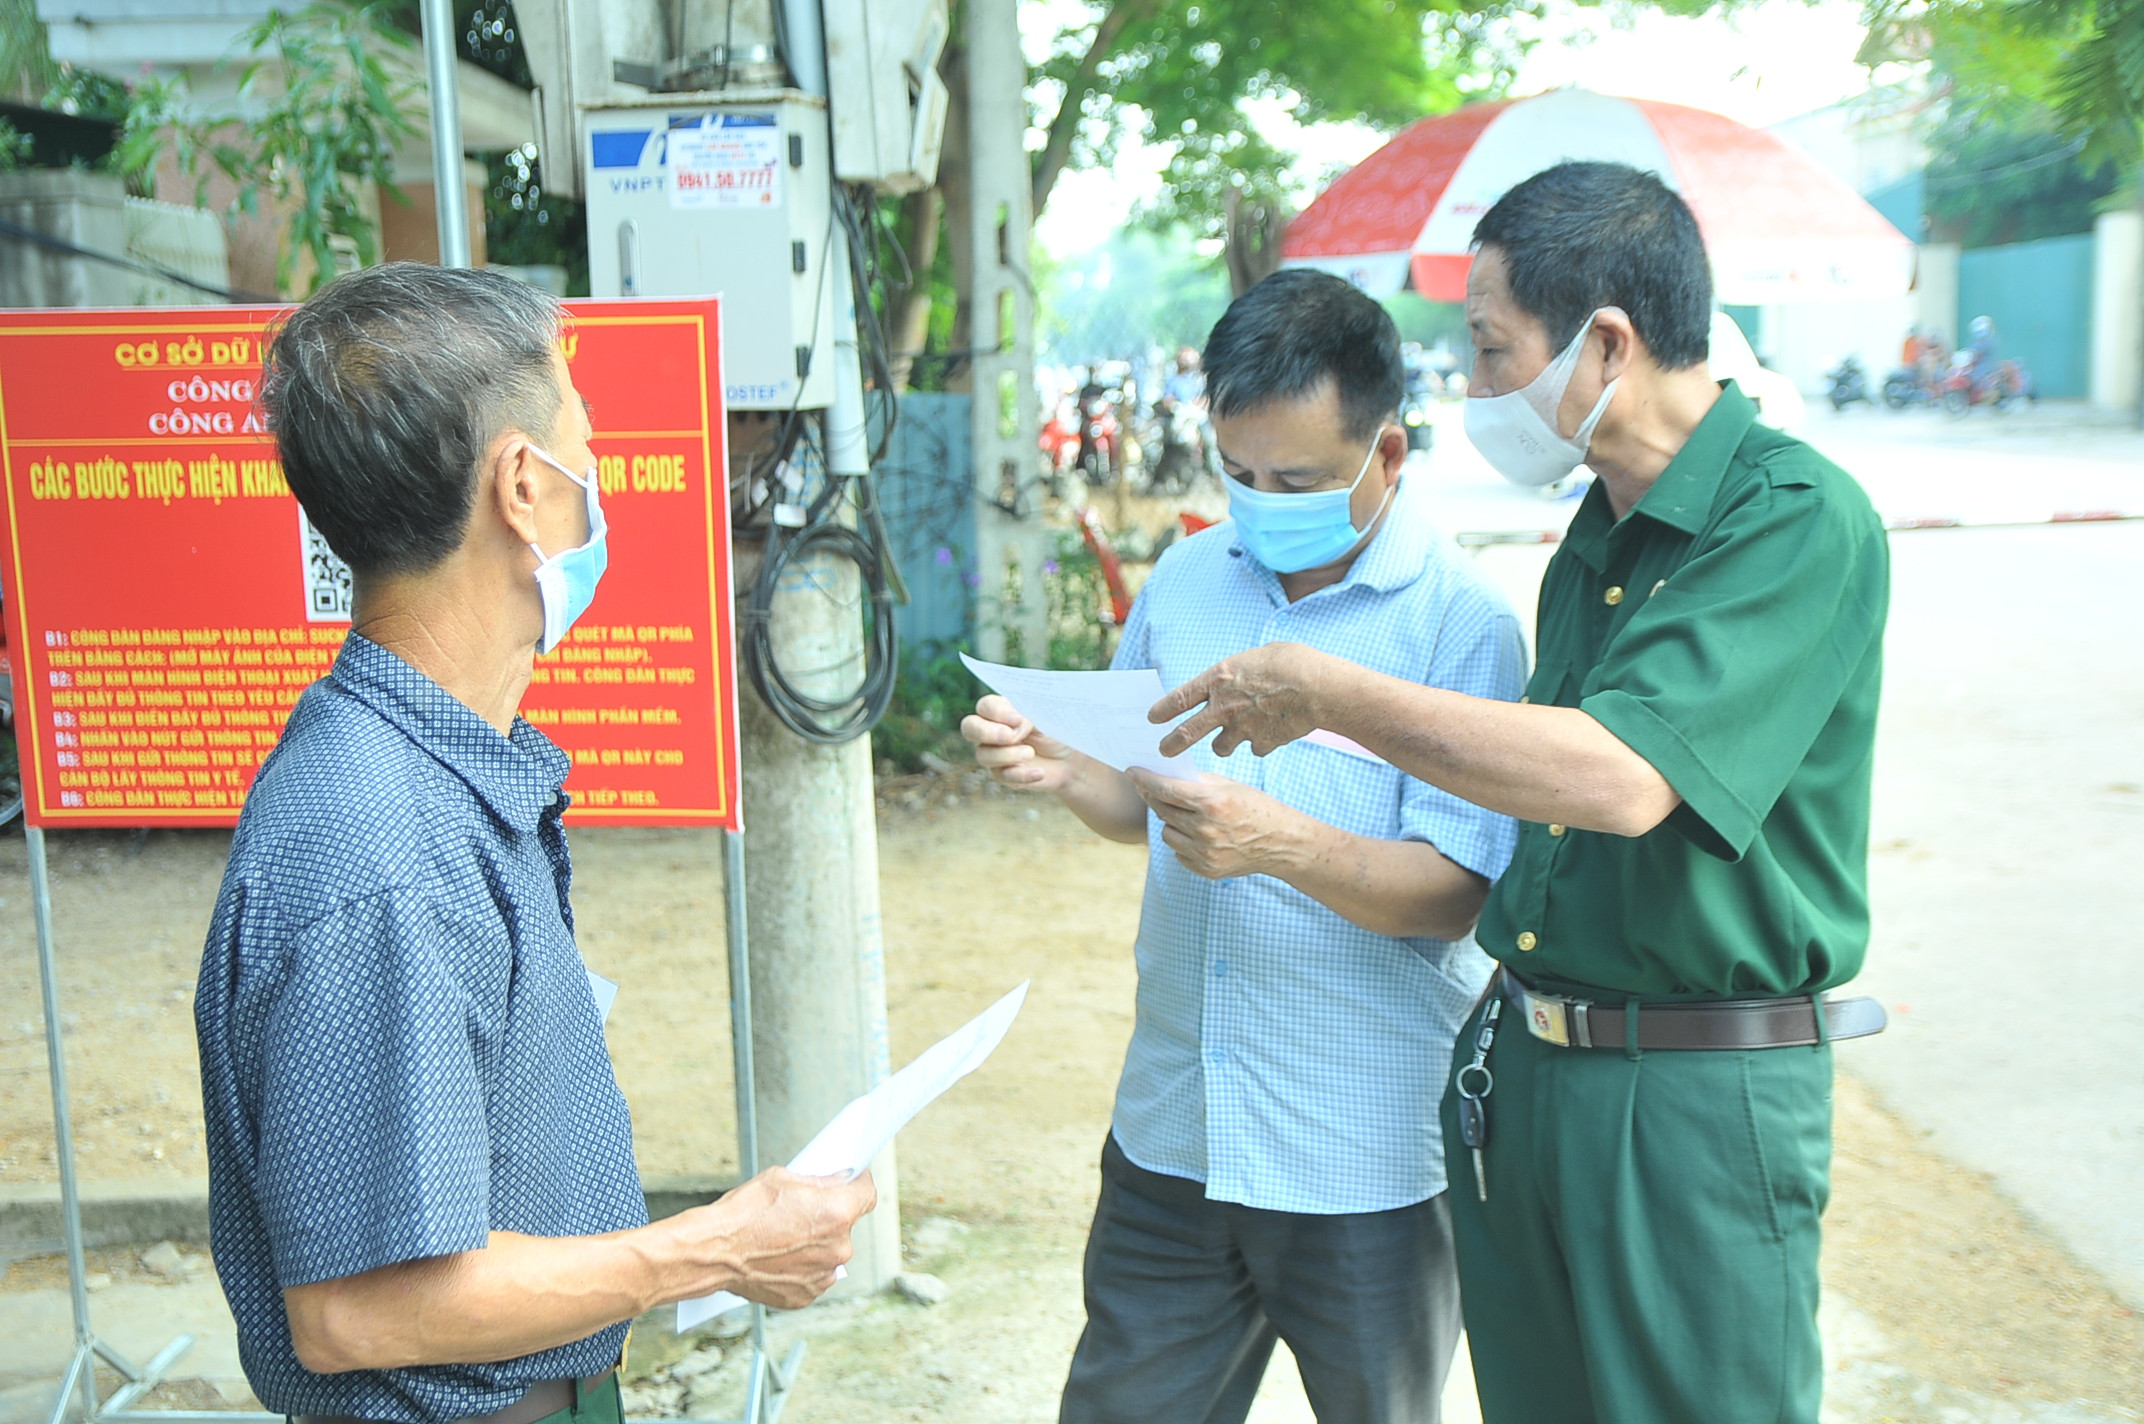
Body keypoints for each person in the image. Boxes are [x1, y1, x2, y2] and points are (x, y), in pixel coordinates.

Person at [1146, 163, 1891, 1424]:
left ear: (1604, 343)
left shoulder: (1793, 519)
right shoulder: (1594, 541)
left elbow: (1619, 778)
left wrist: (1330, 695)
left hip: (1692, 1092)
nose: (1475, 388)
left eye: (1491, 349)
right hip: (1532, 1069)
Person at [194, 264, 876, 1424]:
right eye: (584, 450)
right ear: (521, 485)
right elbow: (360, 1308)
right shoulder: (380, 851)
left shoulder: (432, 771)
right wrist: (712, 1248)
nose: (596, 486)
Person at [965, 269, 1528, 1424]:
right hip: (1178, 1126)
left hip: (1361, 1153)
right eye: (1243, 475)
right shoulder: (1186, 578)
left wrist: (1275, 843)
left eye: (1302, 480)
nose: (1265, 504)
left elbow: (1454, 890)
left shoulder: (1458, 625)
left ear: (1388, 452)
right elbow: (1140, 797)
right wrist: (1070, 770)